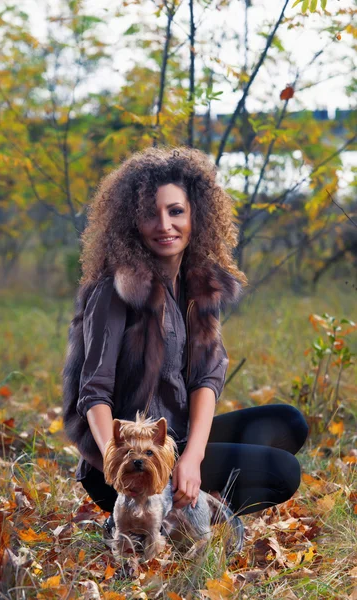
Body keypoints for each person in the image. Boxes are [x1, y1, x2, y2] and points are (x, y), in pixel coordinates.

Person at [62, 146, 308, 532]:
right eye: (150, 213)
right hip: (129, 464)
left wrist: (191, 459)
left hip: (173, 441)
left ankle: (184, 513)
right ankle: (137, 518)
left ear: (197, 214)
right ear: (131, 222)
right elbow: (94, 393)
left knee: (288, 423)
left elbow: (206, 379)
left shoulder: (198, 285)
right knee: (284, 472)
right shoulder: (116, 289)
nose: (164, 225)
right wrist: (119, 460)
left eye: (175, 211)